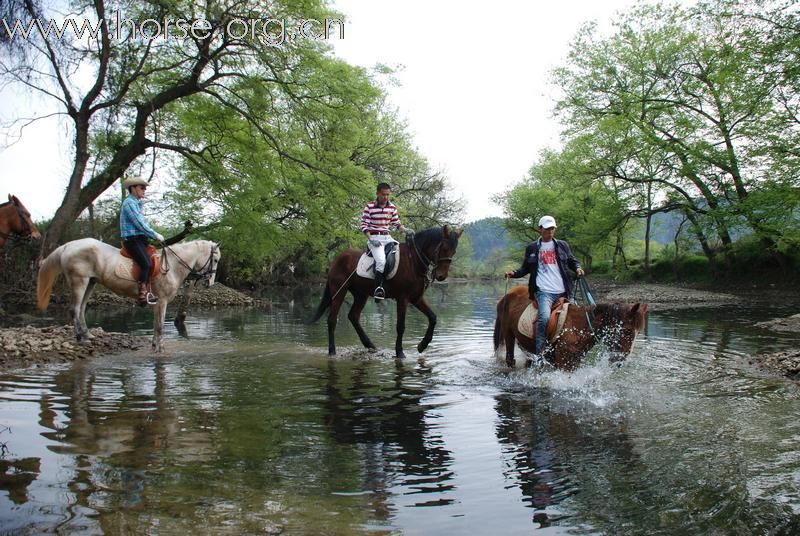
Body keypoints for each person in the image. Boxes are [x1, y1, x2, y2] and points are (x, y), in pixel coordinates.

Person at [504, 215, 584, 357]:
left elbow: (572, 260)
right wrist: (514, 273)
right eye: (547, 229)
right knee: (544, 318)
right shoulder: (532, 248)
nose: (550, 231)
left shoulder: (562, 245)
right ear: (539, 229)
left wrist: (577, 268)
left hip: (564, 290)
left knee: (578, 318)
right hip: (544, 291)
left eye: (552, 228)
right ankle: (540, 353)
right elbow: (525, 269)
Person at [360, 182, 411, 299]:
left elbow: (397, 223)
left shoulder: (392, 207)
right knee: (381, 261)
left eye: (388, 195)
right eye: (383, 195)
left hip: (387, 237)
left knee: (402, 254)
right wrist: (371, 238)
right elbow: (364, 224)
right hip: (374, 238)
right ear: (377, 193)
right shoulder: (370, 206)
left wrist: (405, 230)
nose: (386, 197)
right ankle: (378, 289)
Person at [120, 176, 164, 305]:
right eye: (142, 187)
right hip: (132, 239)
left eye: (144, 188)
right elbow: (139, 224)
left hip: (140, 239)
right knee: (146, 264)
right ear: (133, 188)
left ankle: (150, 290)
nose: (144, 190)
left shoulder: (137, 203)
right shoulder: (129, 203)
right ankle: (141, 294)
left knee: (154, 260)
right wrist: (155, 235)